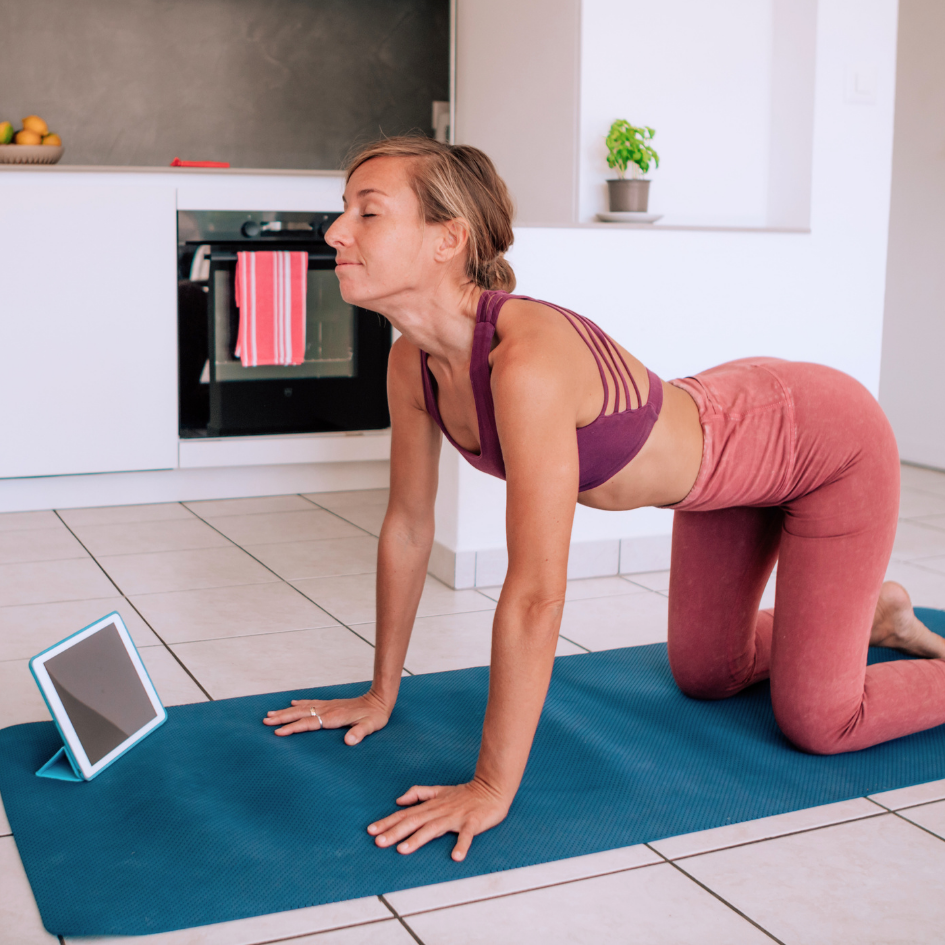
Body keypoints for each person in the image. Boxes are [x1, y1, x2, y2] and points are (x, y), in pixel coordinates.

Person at [264, 136, 945, 862]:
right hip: (725, 468)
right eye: (344, 210)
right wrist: (380, 690)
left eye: (367, 213)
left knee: (819, 721)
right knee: (707, 676)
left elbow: (534, 593)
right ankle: (871, 612)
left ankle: (854, 627)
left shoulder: (525, 361)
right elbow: (406, 526)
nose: (336, 231)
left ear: (447, 239)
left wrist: (491, 784)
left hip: (821, 444)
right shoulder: (413, 361)